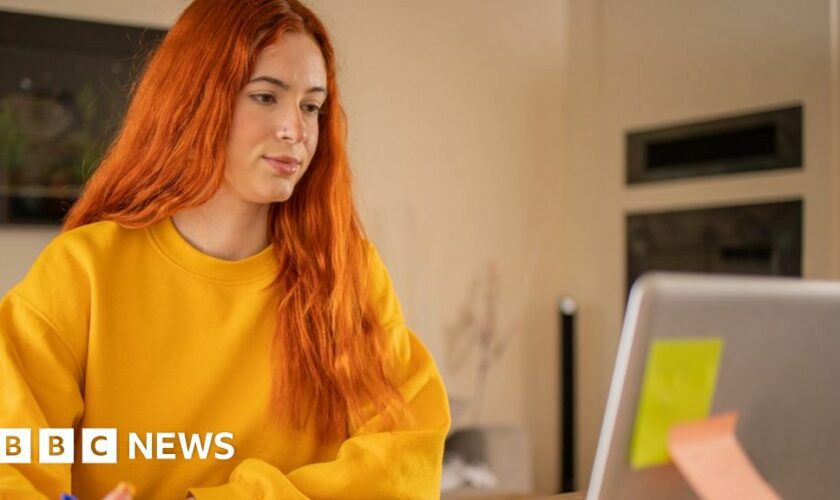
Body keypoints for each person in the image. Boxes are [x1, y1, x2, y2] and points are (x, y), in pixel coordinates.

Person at [0, 0, 451, 498]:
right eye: (265, 97)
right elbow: (12, 460)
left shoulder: (350, 274)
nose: (295, 131)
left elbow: (404, 461)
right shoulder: (82, 271)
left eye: (310, 106)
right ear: (192, 102)